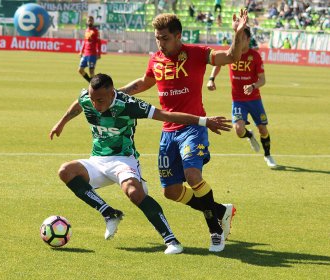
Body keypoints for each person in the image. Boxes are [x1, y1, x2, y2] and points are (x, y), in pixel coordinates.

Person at [49, 73, 232, 254]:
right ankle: (109, 213)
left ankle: (172, 241)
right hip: (97, 160)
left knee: (134, 193)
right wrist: (61, 123)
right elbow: (79, 104)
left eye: (100, 100)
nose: (95, 105)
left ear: (112, 93)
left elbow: (166, 115)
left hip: (123, 160)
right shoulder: (88, 98)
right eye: (93, 99)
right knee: (65, 171)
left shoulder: (128, 105)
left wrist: (203, 121)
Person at [118, 10, 248, 252]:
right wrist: (116, 93)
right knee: (171, 191)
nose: (160, 43)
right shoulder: (155, 59)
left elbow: (231, 57)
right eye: (157, 38)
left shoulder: (197, 54)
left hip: (194, 126)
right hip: (168, 131)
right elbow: (143, 83)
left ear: (178, 36)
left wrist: (237, 34)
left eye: (165, 38)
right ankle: (221, 211)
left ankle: (215, 230)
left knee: (192, 176)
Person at [207, 26, 277, 168]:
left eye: (242, 38)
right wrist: (211, 78)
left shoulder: (255, 56)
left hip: (254, 99)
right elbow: (218, 64)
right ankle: (249, 135)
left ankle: (268, 155)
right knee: (239, 131)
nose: (239, 41)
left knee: (263, 129)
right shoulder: (232, 53)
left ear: (248, 40)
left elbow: (262, 80)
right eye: (237, 38)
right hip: (238, 100)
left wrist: (252, 86)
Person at [78, 16, 101, 83]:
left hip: (92, 54)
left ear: (93, 21)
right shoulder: (87, 30)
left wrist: (99, 53)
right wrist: (81, 51)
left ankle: (93, 87)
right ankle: (91, 83)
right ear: (87, 22)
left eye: (91, 20)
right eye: (88, 20)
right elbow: (85, 41)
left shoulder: (95, 31)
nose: (90, 22)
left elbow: (99, 43)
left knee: (91, 71)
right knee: (80, 70)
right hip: (85, 54)